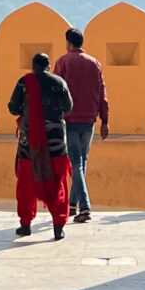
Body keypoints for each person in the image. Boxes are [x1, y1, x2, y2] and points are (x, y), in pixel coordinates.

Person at [7, 50, 74, 239]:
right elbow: (68, 107)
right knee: (58, 183)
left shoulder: (24, 82)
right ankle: (58, 225)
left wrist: (27, 109)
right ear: (49, 66)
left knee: (27, 184)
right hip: (56, 144)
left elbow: (13, 108)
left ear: (33, 66)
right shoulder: (59, 82)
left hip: (30, 145)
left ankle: (26, 224)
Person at [53, 25, 109, 223]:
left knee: (75, 162)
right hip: (89, 120)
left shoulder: (62, 62)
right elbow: (102, 92)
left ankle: (84, 207)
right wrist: (105, 120)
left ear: (68, 43)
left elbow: (55, 92)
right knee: (82, 162)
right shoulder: (95, 64)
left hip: (69, 120)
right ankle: (72, 204)